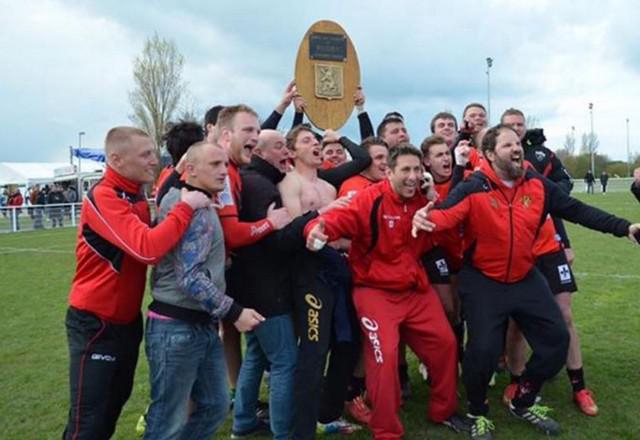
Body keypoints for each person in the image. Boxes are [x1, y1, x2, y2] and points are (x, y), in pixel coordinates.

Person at [412, 124, 640, 439]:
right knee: (483, 354)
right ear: (490, 154)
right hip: (483, 280)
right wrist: (427, 218)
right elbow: (445, 216)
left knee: (556, 341)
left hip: (524, 276)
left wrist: (625, 227)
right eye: (507, 145)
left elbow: (578, 211)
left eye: (517, 143)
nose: (516, 149)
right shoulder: (474, 186)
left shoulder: (537, 184)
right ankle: (477, 410)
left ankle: (523, 400)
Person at [305, 144, 466, 440]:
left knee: (446, 344)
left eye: (417, 170)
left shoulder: (425, 201)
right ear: (389, 172)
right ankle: (386, 430)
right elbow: (333, 220)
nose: (412, 177)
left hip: (414, 288)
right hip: (374, 291)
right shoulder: (370, 199)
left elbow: (450, 241)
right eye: (405, 170)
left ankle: (443, 411)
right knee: (385, 357)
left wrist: (435, 201)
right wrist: (315, 230)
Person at [63, 126, 210, 440]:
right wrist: (187, 206)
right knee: (87, 422)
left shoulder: (135, 194)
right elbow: (147, 249)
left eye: (154, 153)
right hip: (95, 325)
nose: (153, 161)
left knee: (111, 408)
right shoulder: (103, 196)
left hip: (126, 323)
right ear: (116, 159)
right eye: (145, 154)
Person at [144, 141, 264, 440]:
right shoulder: (193, 207)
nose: (224, 171)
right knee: (167, 420)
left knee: (215, 405)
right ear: (191, 169)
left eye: (225, 164)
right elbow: (190, 278)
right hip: (178, 328)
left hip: (199, 324)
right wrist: (235, 312)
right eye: (215, 165)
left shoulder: (195, 199)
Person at [501, 108, 598, 416]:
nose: (516, 131)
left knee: (565, 315)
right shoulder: (495, 165)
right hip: (518, 253)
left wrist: (564, 240)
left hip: (551, 248)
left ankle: (579, 386)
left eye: (520, 125)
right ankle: (516, 381)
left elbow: (566, 197)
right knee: (516, 322)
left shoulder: (542, 156)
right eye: (509, 127)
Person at [231, 130, 318, 439]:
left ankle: (242, 422)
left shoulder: (253, 179)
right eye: (280, 147)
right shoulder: (261, 186)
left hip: (249, 285)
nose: (287, 153)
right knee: (284, 361)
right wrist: (313, 217)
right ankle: (285, 433)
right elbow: (277, 243)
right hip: (267, 288)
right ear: (260, 152)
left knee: (256, 355)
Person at [279, 124, 363, 438]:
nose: (315, 144)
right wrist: (324, 213)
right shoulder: (290, 182)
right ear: (292, 151)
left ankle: (327, 415)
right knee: (314, 350)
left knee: (347, 344)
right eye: (307, 140)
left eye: (316, 139)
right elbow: (295, 231)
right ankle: (301, 430)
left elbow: (362, 157)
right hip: (309, 274)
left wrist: (336, 136)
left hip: (338, 271)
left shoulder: (329, 184)